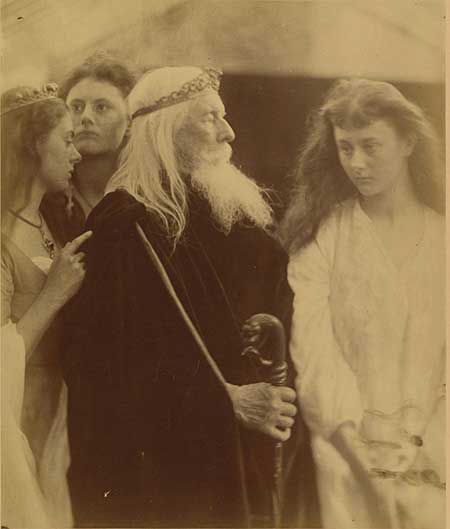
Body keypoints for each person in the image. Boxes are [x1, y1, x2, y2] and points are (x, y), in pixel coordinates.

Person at [62, 66, 298, 528]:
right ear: (166, 131)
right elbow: (102, 372)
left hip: (243, 461)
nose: (228, 132)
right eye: (210, 118)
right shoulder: (124, 228)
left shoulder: (230, 218)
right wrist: (224, 400)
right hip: (165, 482)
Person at [280, 78, 445, 529]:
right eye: (345, 147)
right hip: (345, 457)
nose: (357, 163)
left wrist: (424, 454)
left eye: (371, 146)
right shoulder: (323, 237)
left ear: (408, 142)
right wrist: (363, 467)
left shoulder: (443, 237)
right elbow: (314, 355)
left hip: (437, 457)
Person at [1, 84, 92, 527]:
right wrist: (54, 292)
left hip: (59, 423)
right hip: (14, 427)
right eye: (67, 139)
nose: (77, 153)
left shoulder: (55, 220)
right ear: (35, 143)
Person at [40, 52, 136, 244]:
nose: (85, 117)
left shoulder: (145, 193)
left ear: (129, 121)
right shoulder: (46, 201)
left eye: (101, 107)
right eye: (76, 107)